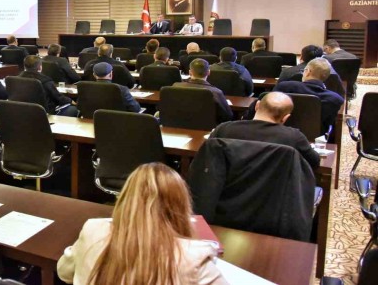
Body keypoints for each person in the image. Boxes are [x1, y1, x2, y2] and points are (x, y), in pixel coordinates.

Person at [57, 163, 226, 285]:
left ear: (125, 197)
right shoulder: (194, 257)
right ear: (181, 206)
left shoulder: (93, 229)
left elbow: (64, 272)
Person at [209, 92, 320, 171]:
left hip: (227, 193)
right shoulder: (294, 137)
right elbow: (314, 163)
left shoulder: (223, 129)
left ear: (257, 106)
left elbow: (208, 157)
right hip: (274, 194)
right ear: (286, 118)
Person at [273, 58, 344, 138]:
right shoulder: (335, 99)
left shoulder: (284, 87)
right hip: (315, 138)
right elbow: (329, 123)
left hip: (280, 134)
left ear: (308, 72)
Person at [174, 58, 233, 124]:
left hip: (177, 125)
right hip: (207, 127)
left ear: (190, 72)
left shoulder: (175, 87)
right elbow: (228, 116)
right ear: (209, 72)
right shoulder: (216, 92)